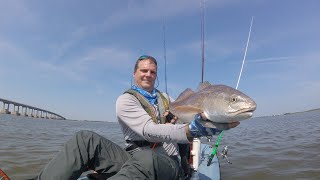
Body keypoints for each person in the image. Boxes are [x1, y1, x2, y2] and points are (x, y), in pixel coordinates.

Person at [37, 55, 239, 180]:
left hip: (168, 164)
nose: (148, 74)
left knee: (147, 158)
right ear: (134, 73)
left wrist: (205, 118)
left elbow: (188, 115)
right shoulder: (125, 101)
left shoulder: (167, 99)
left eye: (152, 72)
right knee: (84, 139)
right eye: (144, 70)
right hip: (135, 159)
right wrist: (189, 130)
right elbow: (148, 131)